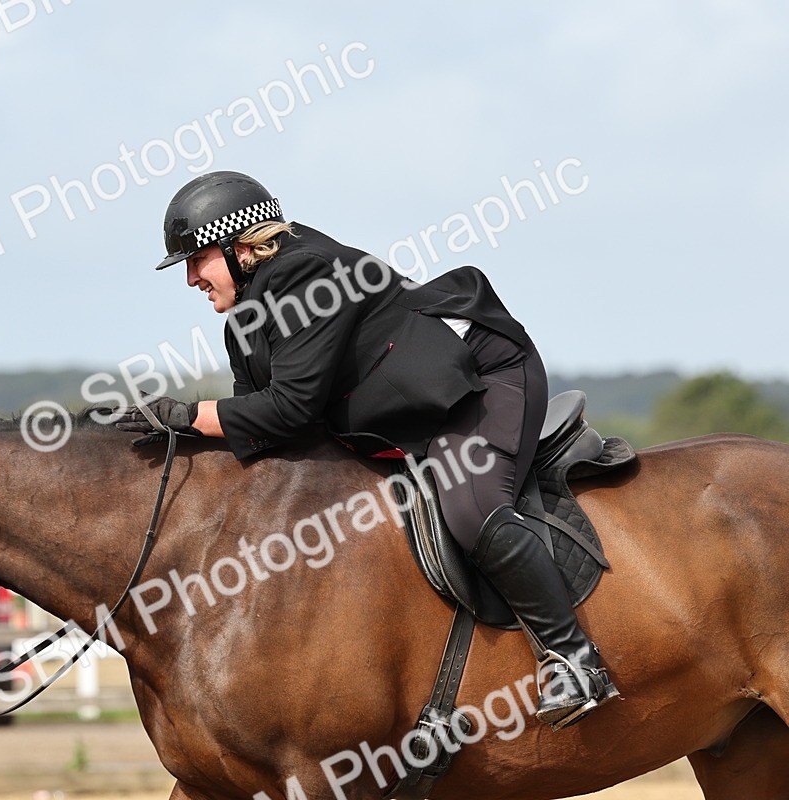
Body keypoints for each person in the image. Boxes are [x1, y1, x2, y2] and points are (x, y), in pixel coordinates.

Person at [115, 170, 619, 729]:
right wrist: (180, 434)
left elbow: (289, 409)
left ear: (239, 247)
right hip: (403, 416)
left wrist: (187, 415)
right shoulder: (246, 320)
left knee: (468, 507)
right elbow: (262, 431)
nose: (190, 279)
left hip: (480, 384)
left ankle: (575, 661)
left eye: (196, 260)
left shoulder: (305, 273)